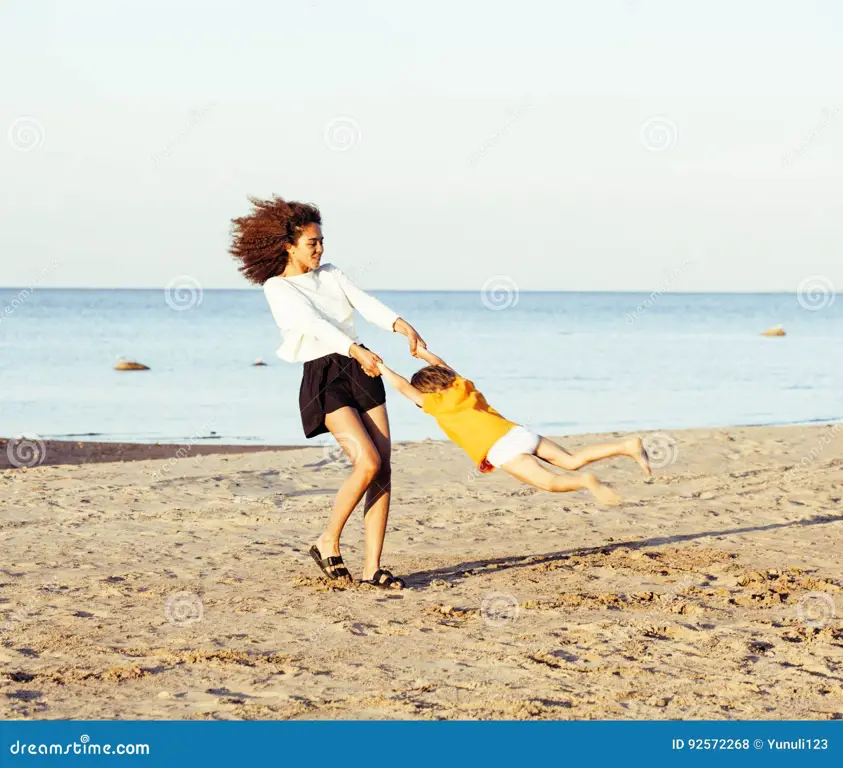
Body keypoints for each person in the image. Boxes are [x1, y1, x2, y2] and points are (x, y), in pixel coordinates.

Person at [229, 195, 427, 589]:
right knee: (367, 462)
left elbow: (364, 303)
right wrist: (354, 348)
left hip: (361, 367)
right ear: (289, 246)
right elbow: (313, 323)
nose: (319, 249)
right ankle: (327, 540)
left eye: (321, 241)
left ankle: (373, 567)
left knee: (384, 467)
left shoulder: (331, 273)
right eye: (311, 243)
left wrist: (400, 325)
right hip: (326, 375)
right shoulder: (277, 288)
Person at [376, 347, 652, 505]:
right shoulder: (463, 385)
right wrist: (422, 351)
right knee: (572, 459)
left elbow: (401, 386)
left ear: (426, 391)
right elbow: (443, 365)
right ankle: (626, 445)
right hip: (517, 432)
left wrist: (380, 367)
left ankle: (586, 482)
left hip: (500, 449)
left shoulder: (434, 404)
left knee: (551, 483)